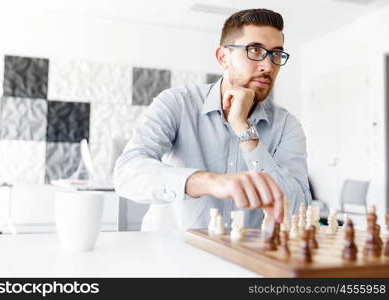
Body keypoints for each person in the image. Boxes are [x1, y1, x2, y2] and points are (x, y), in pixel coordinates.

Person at [114, 8, 312, 231]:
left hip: (247, 258)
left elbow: (297, 209)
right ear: (223, 57)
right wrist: (211, 182)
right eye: (255, 50)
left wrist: (243, 129)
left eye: (276, 54)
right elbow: (127, 174)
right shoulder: (177, 103)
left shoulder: (287, 126)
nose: (268, 66)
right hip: (171, 254)